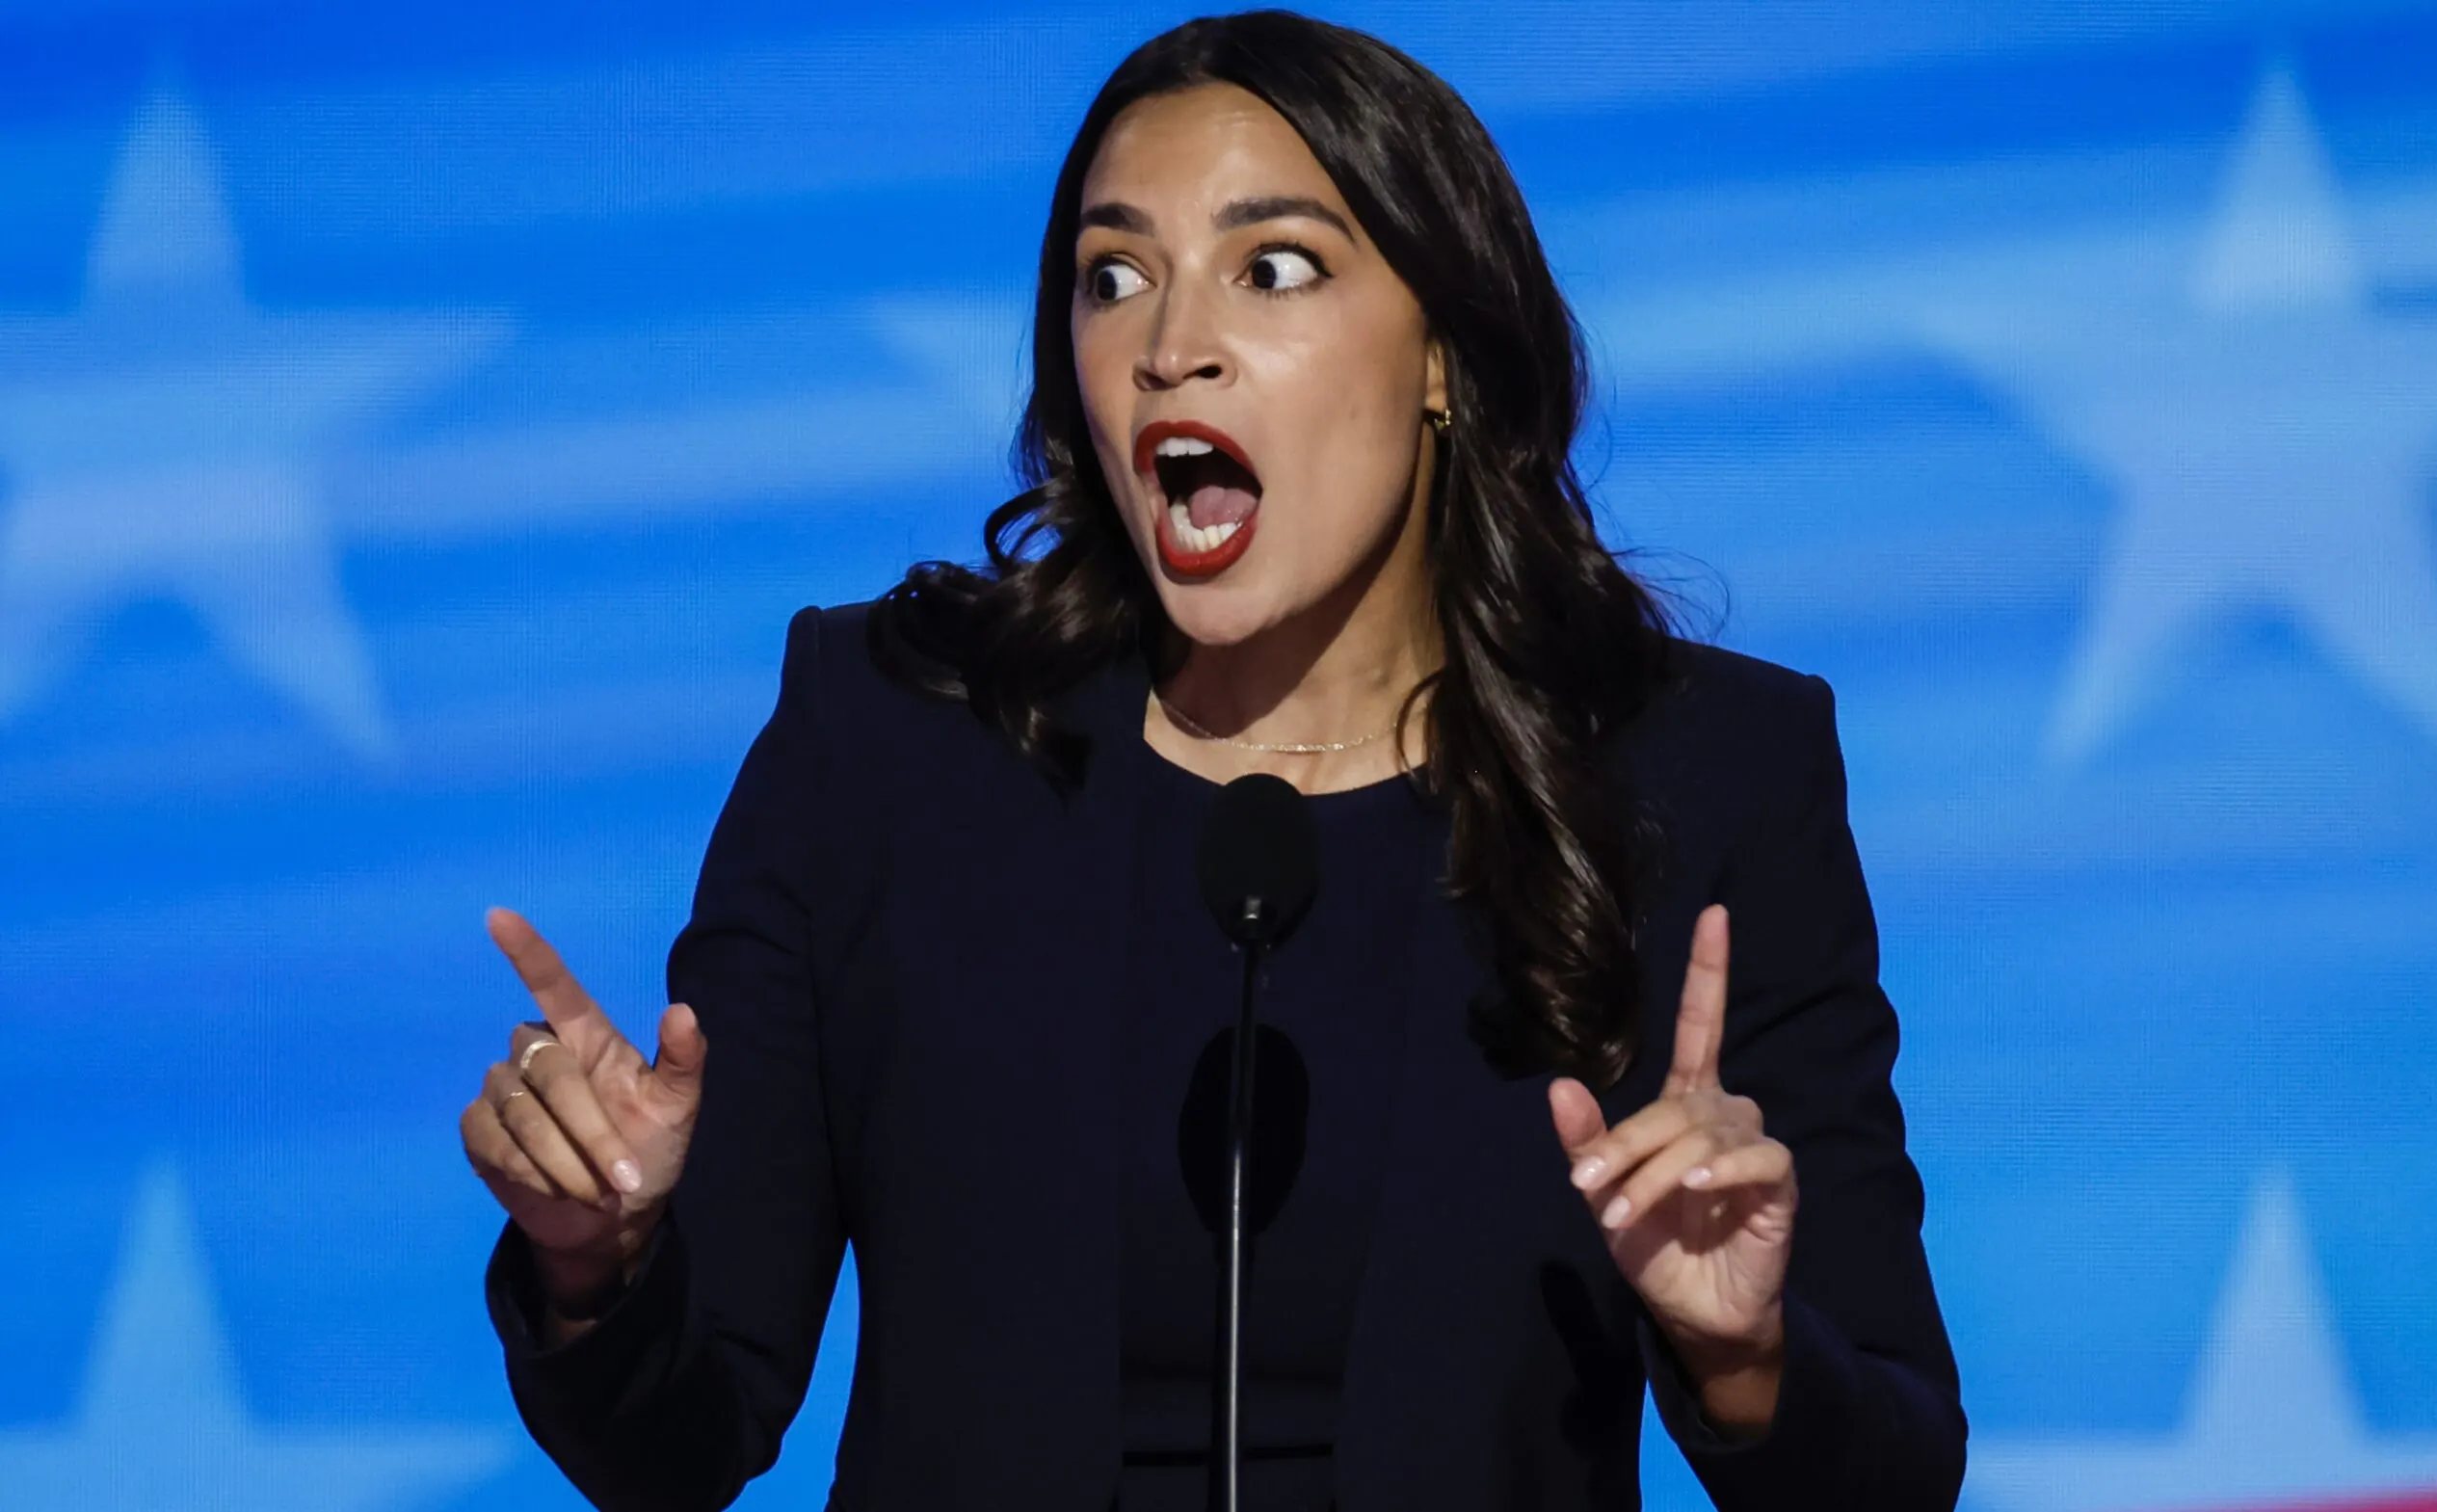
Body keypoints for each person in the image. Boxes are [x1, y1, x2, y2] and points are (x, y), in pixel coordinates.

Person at [457, 11, 1966, 1510]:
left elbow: (1894, 1472)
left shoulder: (1700, 773)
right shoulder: (890, 741)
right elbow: (679, 1444)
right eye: (1113, 278)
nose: (1171, 348)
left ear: (1443, 352)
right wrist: (596, 1266)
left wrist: (1741, 1355)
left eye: (1274, 268)